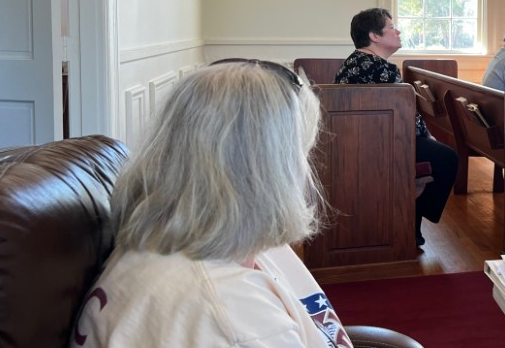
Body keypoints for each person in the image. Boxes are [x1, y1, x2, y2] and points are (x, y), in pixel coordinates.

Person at [71, 59, 352, 347]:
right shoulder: (230, 316)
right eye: (301, 152)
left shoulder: (191, 240)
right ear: (271, 172)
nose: (306, 168)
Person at [334, 8, 458, 247]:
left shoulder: (352, 62)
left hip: (359, 139)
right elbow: (404, 114)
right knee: (447, 158)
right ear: (374, 36)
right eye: (391, 27)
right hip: (380, 143)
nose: (397, 31)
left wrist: (425, 134)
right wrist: (427, 135)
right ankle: (410, 216)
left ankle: (412, 223)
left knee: (434, 151)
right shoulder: (382, 68)